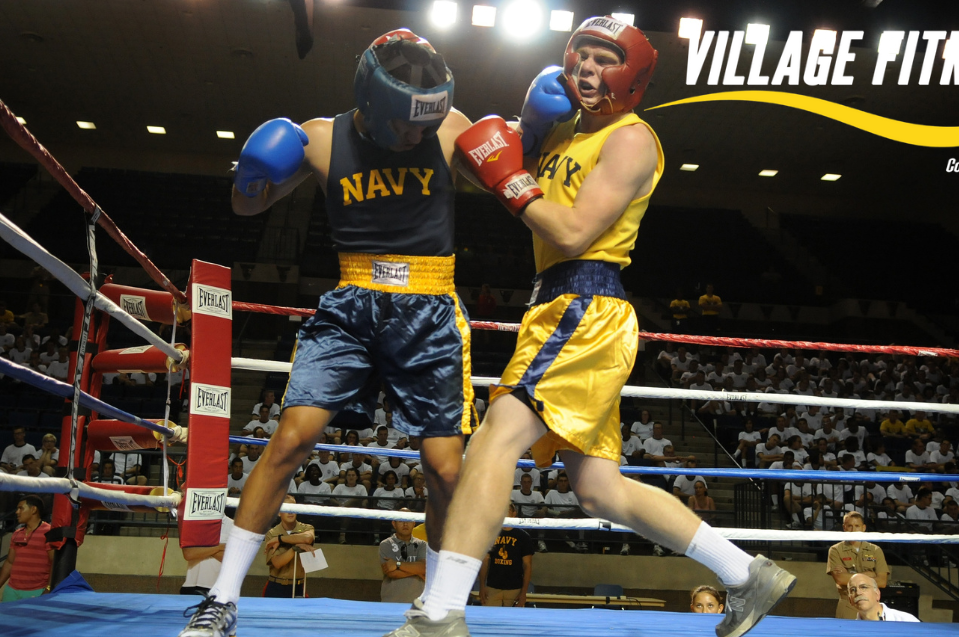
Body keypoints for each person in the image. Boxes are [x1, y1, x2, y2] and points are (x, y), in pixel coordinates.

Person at [391, 17, 794, 637]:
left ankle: (442, 612)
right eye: (581, 55)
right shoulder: (561, 133)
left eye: (605, 59)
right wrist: (478, 132)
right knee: (600, 489)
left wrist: (511, 176)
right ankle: (745, 574)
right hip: (562, 308)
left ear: (631, 76)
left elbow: (574, 231)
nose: (586, 67)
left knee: (495, 438)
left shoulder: (633, 140)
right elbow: (495, 173)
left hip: (585, 304)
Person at [180, 28, 475, 637]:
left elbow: (515, 180)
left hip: (430, 305)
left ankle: (437, 609)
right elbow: (248, 207)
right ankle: (222, 598)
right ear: (372, 104)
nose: (416, 135)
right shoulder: (319, 139)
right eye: (405, 125)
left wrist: (528, 140)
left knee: (446, 469)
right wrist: (251, 173)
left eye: (425, 123)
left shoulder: (449, 129)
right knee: (290, 439)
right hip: (351, 305)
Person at [0, 495, 59, 603]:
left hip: (37, 591)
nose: (17, 512)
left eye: (21, 508)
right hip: (11, 591)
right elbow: (9, 562)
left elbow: (54, 562)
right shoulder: (17, 533)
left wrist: (48, 588)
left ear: (33, 509)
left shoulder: (49, 532)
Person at [825, 511, 890, 619]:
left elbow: (882, 582)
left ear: (863, 528)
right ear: (844, 528)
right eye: (849, 526)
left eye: (857, 526)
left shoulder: (875, 550)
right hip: (848, 605)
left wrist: (849, 575)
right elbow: (840, 579)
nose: (853, 530)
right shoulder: (835, 550)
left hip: (872, 606)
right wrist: (870, 575)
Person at [477, 503, 533, 608]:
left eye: (507, 510)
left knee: (513, 618)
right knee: (490, 617)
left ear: (514, 513)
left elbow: (527, 565)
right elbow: (485, 561)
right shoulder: (491, 534)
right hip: (493, 586)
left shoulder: (523, 536)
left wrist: (523, 592)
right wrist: (482, 586)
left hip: (514, 587)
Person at [263, 495, 315, 599]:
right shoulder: (272, 533)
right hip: (276, 587)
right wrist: (295, 547)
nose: (290, 512)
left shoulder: (306, 528)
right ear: (279, 513)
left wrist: (280, 539)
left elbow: (307, 539)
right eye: (286, 508)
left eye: (293, 508)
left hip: (299, 586)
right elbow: (277, 563)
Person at [180, 513, 236, 597]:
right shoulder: (193, 523)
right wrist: (219, 547)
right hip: (190, 585)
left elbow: (230, 559)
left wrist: (201, 546)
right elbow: (189, 554)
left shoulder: (233, 526)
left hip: (218, 588)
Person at [380, 510, 428, 604]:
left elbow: (423, 568)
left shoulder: (422, 545)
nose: (405, 524)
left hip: (417, 603)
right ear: (394, 524)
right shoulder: (386, 544)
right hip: (391, 601)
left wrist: (397, 564)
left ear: (414, 523)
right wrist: (416, 570)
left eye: (408, 520)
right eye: (401, 520)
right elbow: (392, 573)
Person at [849, 573, 918, 621]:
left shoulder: (906, 621)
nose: (858, 593)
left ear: (877, 594)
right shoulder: (849, 630)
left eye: (864, 587)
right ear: (850, 600)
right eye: (853, 590)